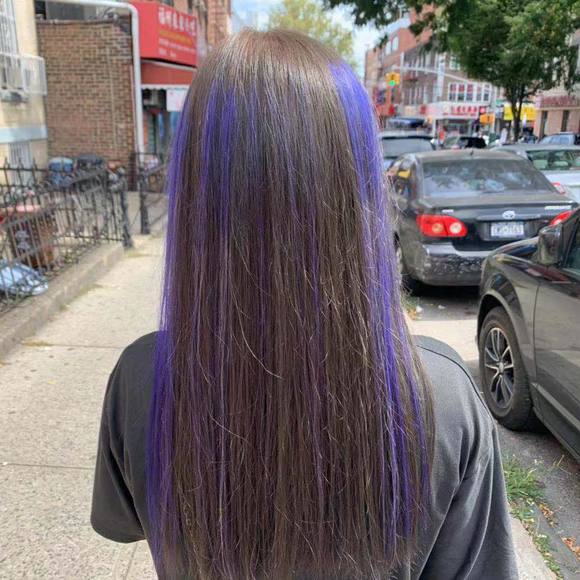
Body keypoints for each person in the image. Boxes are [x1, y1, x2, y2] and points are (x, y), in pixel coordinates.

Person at [91, 30, 517, 580]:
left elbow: (124, 522)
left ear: (196, 192)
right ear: (360, 192)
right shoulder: (442, 393)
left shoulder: (141, 379)